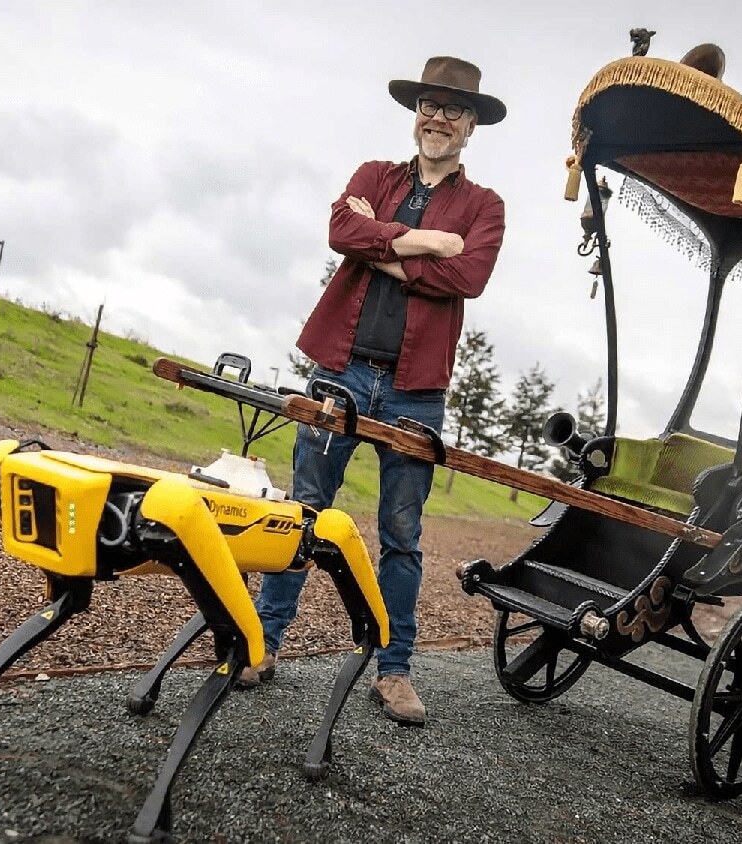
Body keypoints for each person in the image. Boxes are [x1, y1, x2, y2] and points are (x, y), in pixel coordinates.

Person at [240, 56, 507, 727]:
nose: (438, 118)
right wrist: (427, 241)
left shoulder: (485, 206)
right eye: (429, 106)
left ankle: (393, 670)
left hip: (416, 390)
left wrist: (380, 246)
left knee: (402, 535)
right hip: (342, 369)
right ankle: (264, 642)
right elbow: (341, 231)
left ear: (471, 124)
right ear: (416, 114)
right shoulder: (373, 176)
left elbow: (467, 278)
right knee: (303, 512)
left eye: (453, 109)